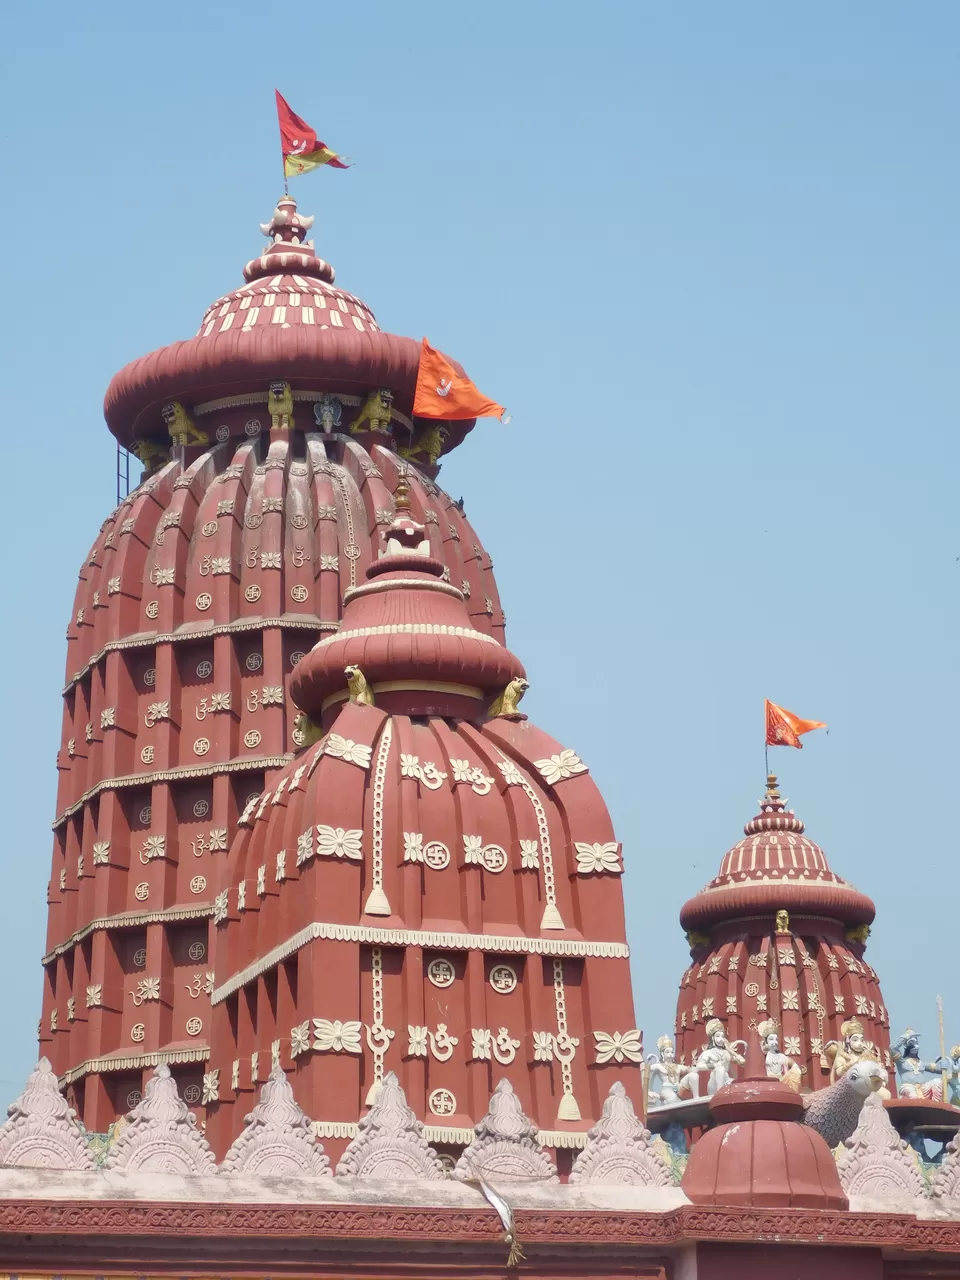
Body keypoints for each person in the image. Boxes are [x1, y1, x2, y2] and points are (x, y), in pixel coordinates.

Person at [682, 1018, 746, 1097]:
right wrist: (714, 1065)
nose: (721, 1039)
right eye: (718, 1036)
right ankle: (720, 1094)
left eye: (722, 1036)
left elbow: (741, 1063)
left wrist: (740, 1059)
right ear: (713, 1038)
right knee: (720, 1069)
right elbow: (699, 1066)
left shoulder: (726, 1052)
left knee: (740, 1087)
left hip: (727, 1080)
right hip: (714, 1083)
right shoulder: (708, 1052)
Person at [757, 1019, 802, 1091]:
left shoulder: (782, 1056)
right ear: (766, 1041)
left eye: (776, 1039)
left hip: (782, 1082)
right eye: (771, 1039)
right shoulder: (763, 1057)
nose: (774, 1042)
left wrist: (794, 1071)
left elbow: (794, 1065)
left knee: (794, 1072)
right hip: (769, 1084)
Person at [646, 1034, 685, 1108]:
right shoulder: (658, 1066)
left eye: (672, 1052)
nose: (670, 1055)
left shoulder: (678, 1066)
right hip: (666, 1089)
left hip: (678, 1088)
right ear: (662, 1054)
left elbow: (689, 1070)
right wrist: (649, 1091)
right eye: (667, 1052)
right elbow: (646, 1073)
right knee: (673, 1098)